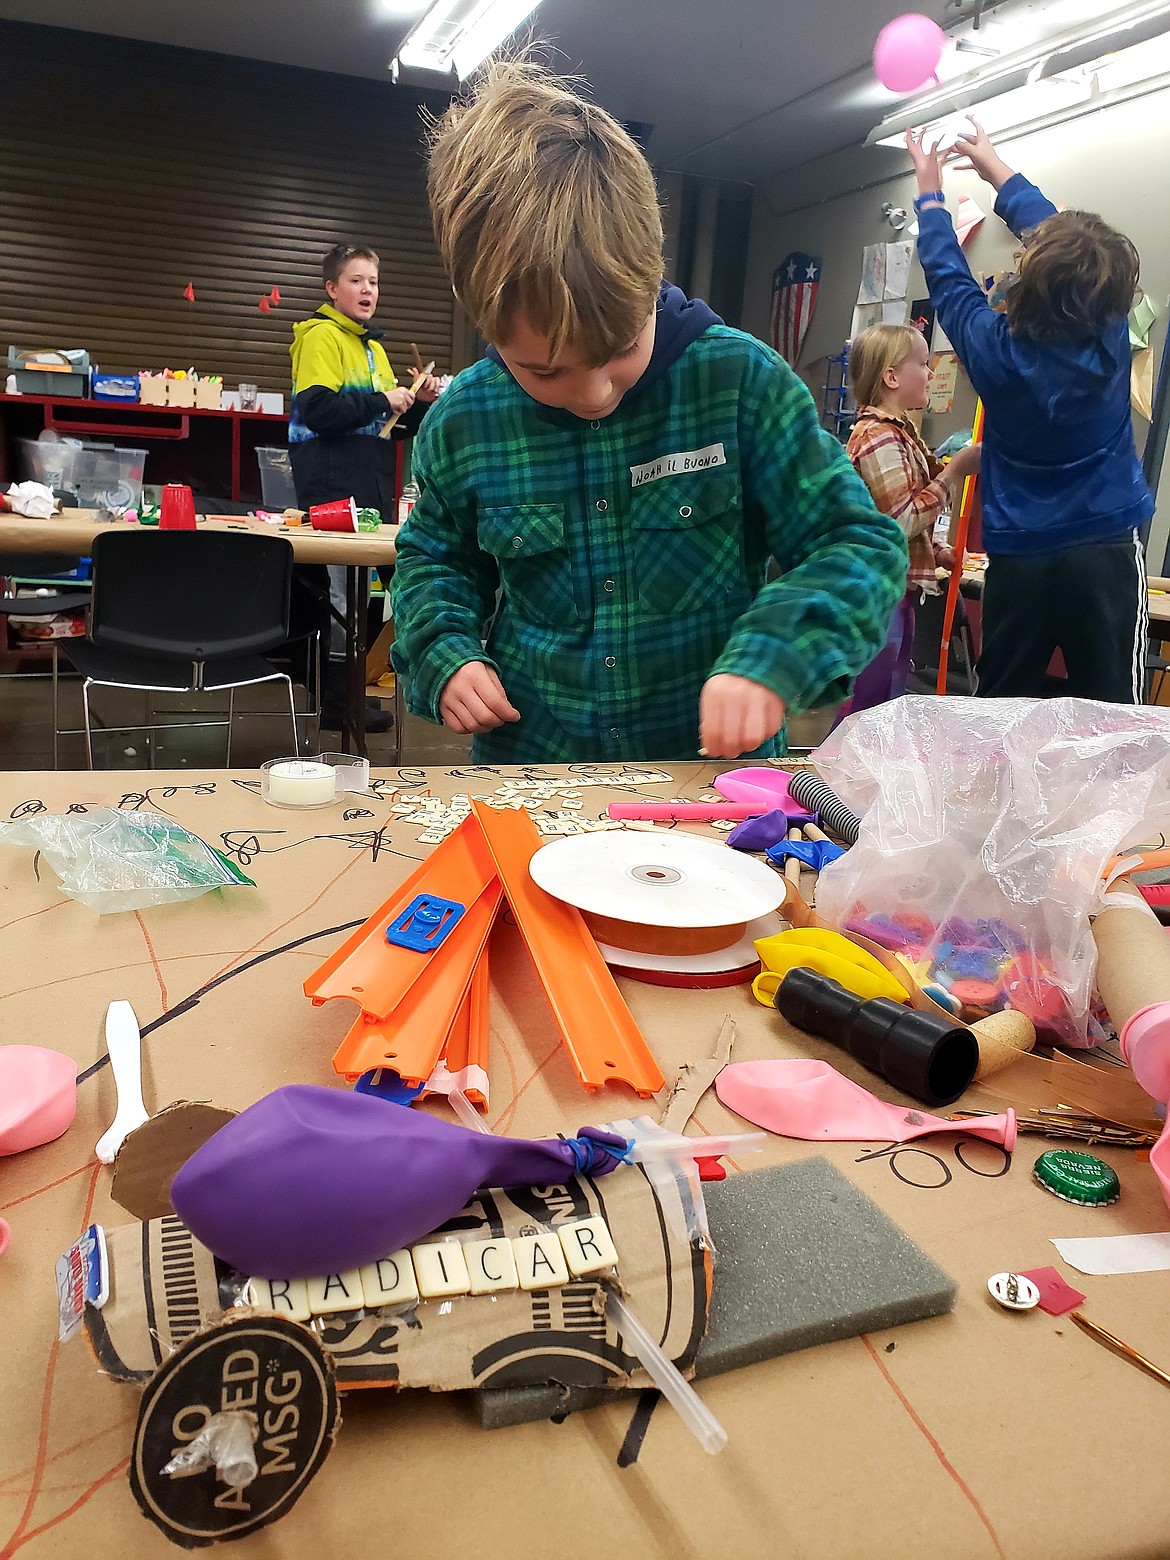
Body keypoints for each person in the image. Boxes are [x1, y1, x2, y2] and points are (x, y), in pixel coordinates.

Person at [390, 61, 908, 763]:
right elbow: (434, 561)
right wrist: (445, 652)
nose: (597, 392)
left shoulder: (739, 382)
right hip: (538, 776)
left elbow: (858, 544)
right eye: (548, 371)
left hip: (708, 785)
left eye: (621, 347)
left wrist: (778, 651)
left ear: (651, 271)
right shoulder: (464, 421)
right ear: (485, 320)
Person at [907, 121, 1153, 703]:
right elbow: (1070, 250)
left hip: (1022, 554)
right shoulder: (1110, 331)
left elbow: (947, 276)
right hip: (1106, 543)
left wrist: (930, 193)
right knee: (1116, 714)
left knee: (1002, 712)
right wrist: (998, 170)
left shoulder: (993, 348)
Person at [289, 243, 440, 730]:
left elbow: (387, 420)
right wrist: (382, 398)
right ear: (332, 288)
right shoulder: (320, 337)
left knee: (366, 593)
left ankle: (350, 691)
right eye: (356, 281)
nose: (367, 290)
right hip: (331, 475)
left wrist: (417, 402)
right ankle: (335, 703)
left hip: (369, 476)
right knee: (337, 593)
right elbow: (320, 410)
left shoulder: (371, 346)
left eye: (373, 281)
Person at [844, 323, 981, 709]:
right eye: (922, 364)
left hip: (896, 592)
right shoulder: (879, 437)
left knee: (888, 697)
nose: (931, 373)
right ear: (891, 376)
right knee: (870, 704)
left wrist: (935, 550)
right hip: (877, 596)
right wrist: (955, 474)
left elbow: (894, 513)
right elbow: (898, 521)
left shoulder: (900, 433)